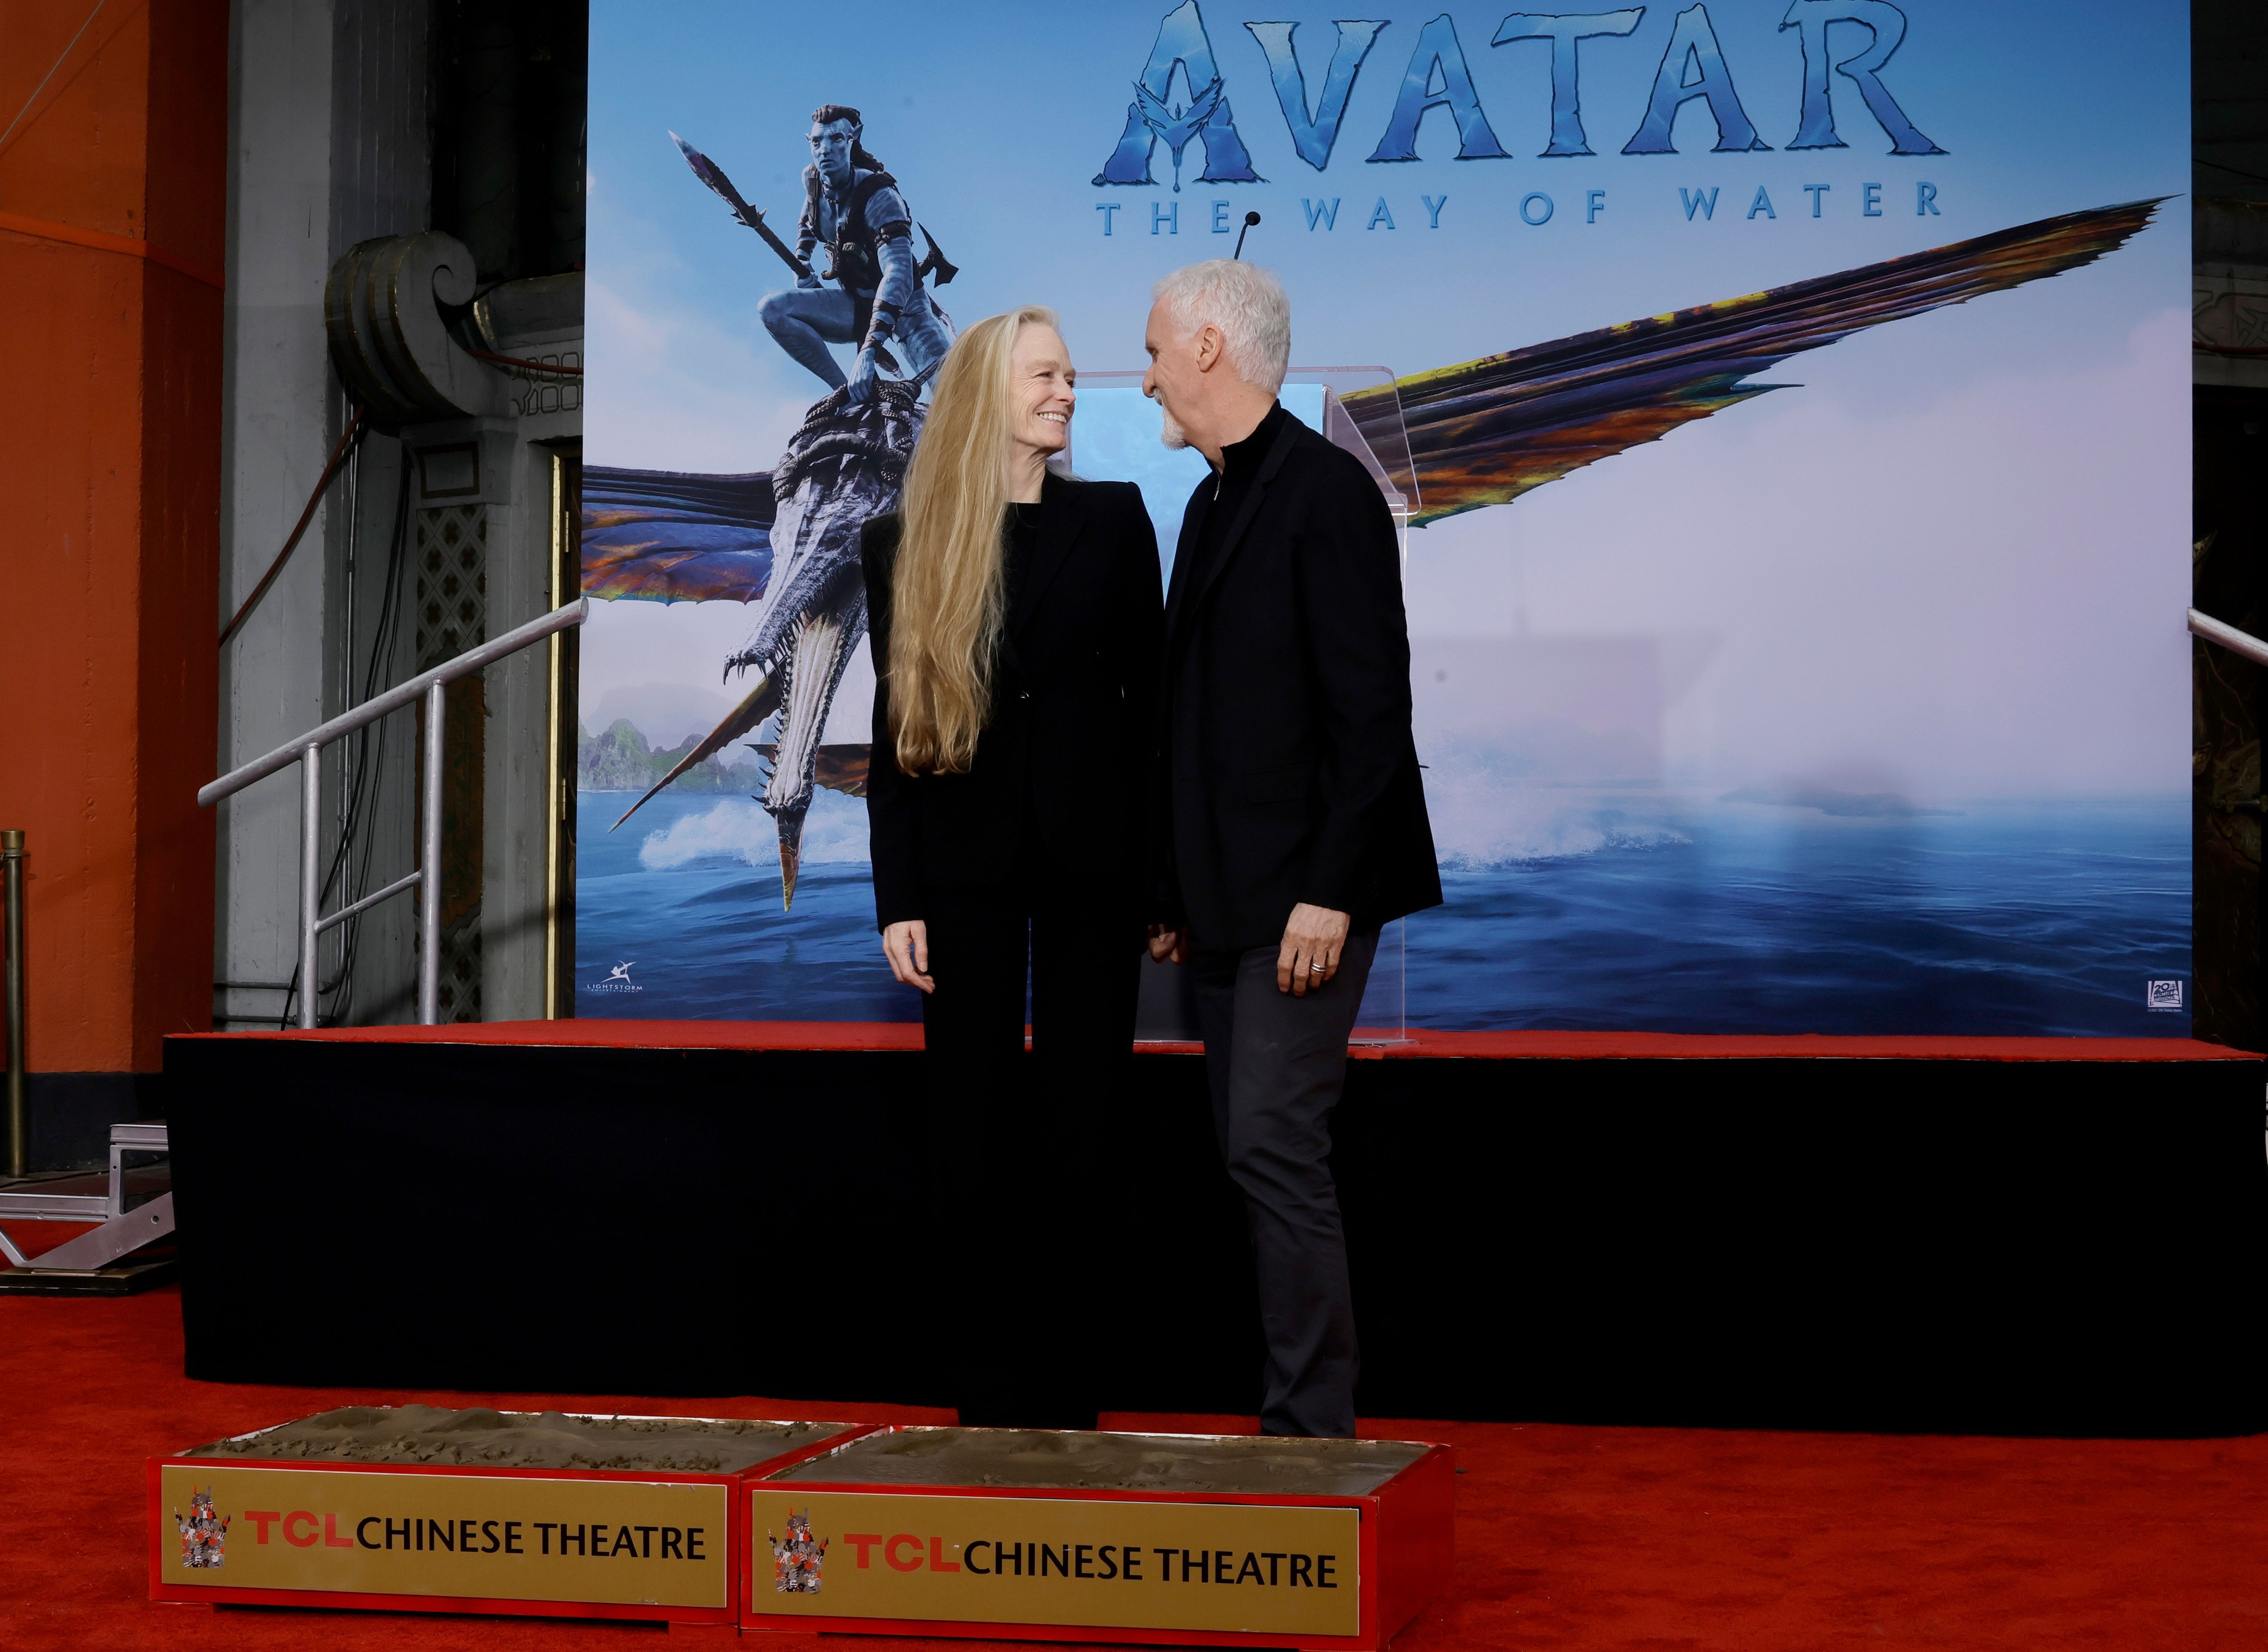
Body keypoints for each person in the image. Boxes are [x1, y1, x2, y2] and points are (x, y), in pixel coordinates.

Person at [1142, 261, 1442, 1439]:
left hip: (1304, 904)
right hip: (1222, 901)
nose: (1153, 368)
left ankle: (1313, 1434)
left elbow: (1375, 721)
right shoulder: (1208, 504)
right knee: (1248, 1147)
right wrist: (1171, 891)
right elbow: (1191, 718)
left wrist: (1330, 894)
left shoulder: (1329, 495)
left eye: (1159, 346)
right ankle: (1299, 1417)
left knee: (1270, 1142)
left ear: (1211, 348)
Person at [860, 306, 1163, 1428]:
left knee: (1085, 1126)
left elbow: (1153, 714)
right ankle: (985, 1395)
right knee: (968, 1136)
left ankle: (1071, 1393)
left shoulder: (1117, 518)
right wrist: (898, 896)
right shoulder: (901, 543)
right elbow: (895, 734)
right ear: (991, 389)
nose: (1069, 393)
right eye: (1047, 374)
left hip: (1097, 866)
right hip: (960, 874)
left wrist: (1164, 881)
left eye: (1073, 376)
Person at [759, 103, 954, 401]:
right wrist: (802, 261)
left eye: (836, 140)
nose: (825, 150)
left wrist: (869, 351)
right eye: (816, 142)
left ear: (853, 139)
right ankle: (849, 396)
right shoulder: (813, 182)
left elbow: (898, 271)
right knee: (773, 310)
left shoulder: (880, 197)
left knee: (958, 397)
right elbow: (809, 220)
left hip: (907, 311)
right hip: (856, 303)